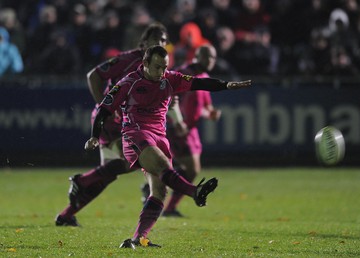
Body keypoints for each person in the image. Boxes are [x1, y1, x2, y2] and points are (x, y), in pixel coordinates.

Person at [84, 45, 251, 248]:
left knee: (160, 191)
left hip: (160, 137)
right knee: (163, 165)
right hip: (135, 136)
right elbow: (104, 110)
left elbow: (199, 83)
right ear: (144, 64)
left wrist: (226, 85)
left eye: (164, 67)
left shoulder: (170, 79)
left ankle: (138, 238)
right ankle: (194, 192)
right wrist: (94, 136)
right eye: (157, 67)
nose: (161, 72)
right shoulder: (128, 83)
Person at [54, 22, 173, 227]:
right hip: (113, 121)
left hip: (124, 122)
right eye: (156, 39)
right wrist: (105, 105)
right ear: (144, 42)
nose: (160, 43)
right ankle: (82, 181)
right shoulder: (128, 59)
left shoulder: (157, 66)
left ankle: (66, 214)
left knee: (107, 175)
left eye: (163, 40)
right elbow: (94, 76)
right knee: (134, 160)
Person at [161, 44, 222, 217]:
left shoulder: (204, 77)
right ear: (198, 56)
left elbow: (204, 107)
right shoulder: (185, 73)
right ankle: (168, 202)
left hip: (191, 129)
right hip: (178, 127)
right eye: (208, 56)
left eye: (213, 57)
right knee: (192, 168)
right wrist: (177, 120)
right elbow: (170, 95)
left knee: (189, 168)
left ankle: (165, 195)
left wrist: (210, 113)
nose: (211, 61)